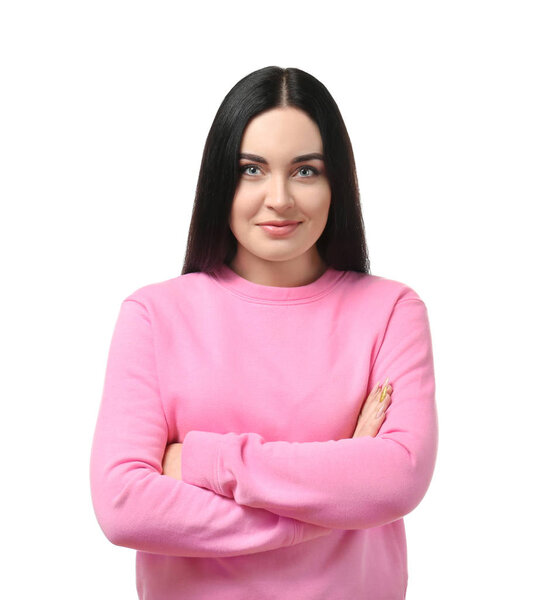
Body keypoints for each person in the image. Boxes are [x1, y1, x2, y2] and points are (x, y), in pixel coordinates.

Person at [89, 65, 439, 599]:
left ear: (336, 181)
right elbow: (123, 508)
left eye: (305, 171)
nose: (279, 198)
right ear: (219, 181)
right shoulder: (153, 316)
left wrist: (202, 460)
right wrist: (335, 499)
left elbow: (397, 479)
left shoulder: (390, 311)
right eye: (252, 169)